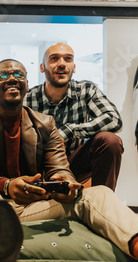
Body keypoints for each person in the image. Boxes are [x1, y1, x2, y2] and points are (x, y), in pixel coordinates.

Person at [0, 59, 138, 262]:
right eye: (2, 76)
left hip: (34, 206)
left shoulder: (46, 124)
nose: (12, 78)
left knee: (98, 194)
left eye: (18, 74)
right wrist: (8, 186)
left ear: (27, 85)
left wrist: (65, 185)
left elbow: (60, 168)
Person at [25, 43, 123, 190]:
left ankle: (102, 199)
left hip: (74, 162)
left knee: (110, 141)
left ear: (74, 67)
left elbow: (113, 119)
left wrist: (69, 130)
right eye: (54, 59)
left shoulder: (86, 90)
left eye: (68, 59)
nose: (62, 64)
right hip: (41, 166)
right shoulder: (28, 99)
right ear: (42, 67)